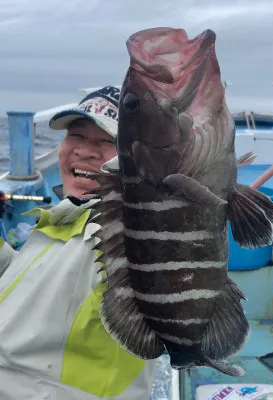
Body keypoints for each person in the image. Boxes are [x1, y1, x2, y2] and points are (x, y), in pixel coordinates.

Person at [0, 86, 157, 400]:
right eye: (76, 136)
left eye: (106, 141)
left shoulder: (126, 230)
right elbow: (27, 282)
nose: (85, 151)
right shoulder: (66, 217)